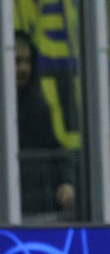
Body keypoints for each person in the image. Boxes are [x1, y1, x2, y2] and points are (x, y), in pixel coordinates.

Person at [15, 29, 75, 220]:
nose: (24, 69)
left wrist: (66, 182)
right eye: (17, 61)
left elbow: (54, 148)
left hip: (37, 207)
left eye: (28, 61)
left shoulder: (38, 107)